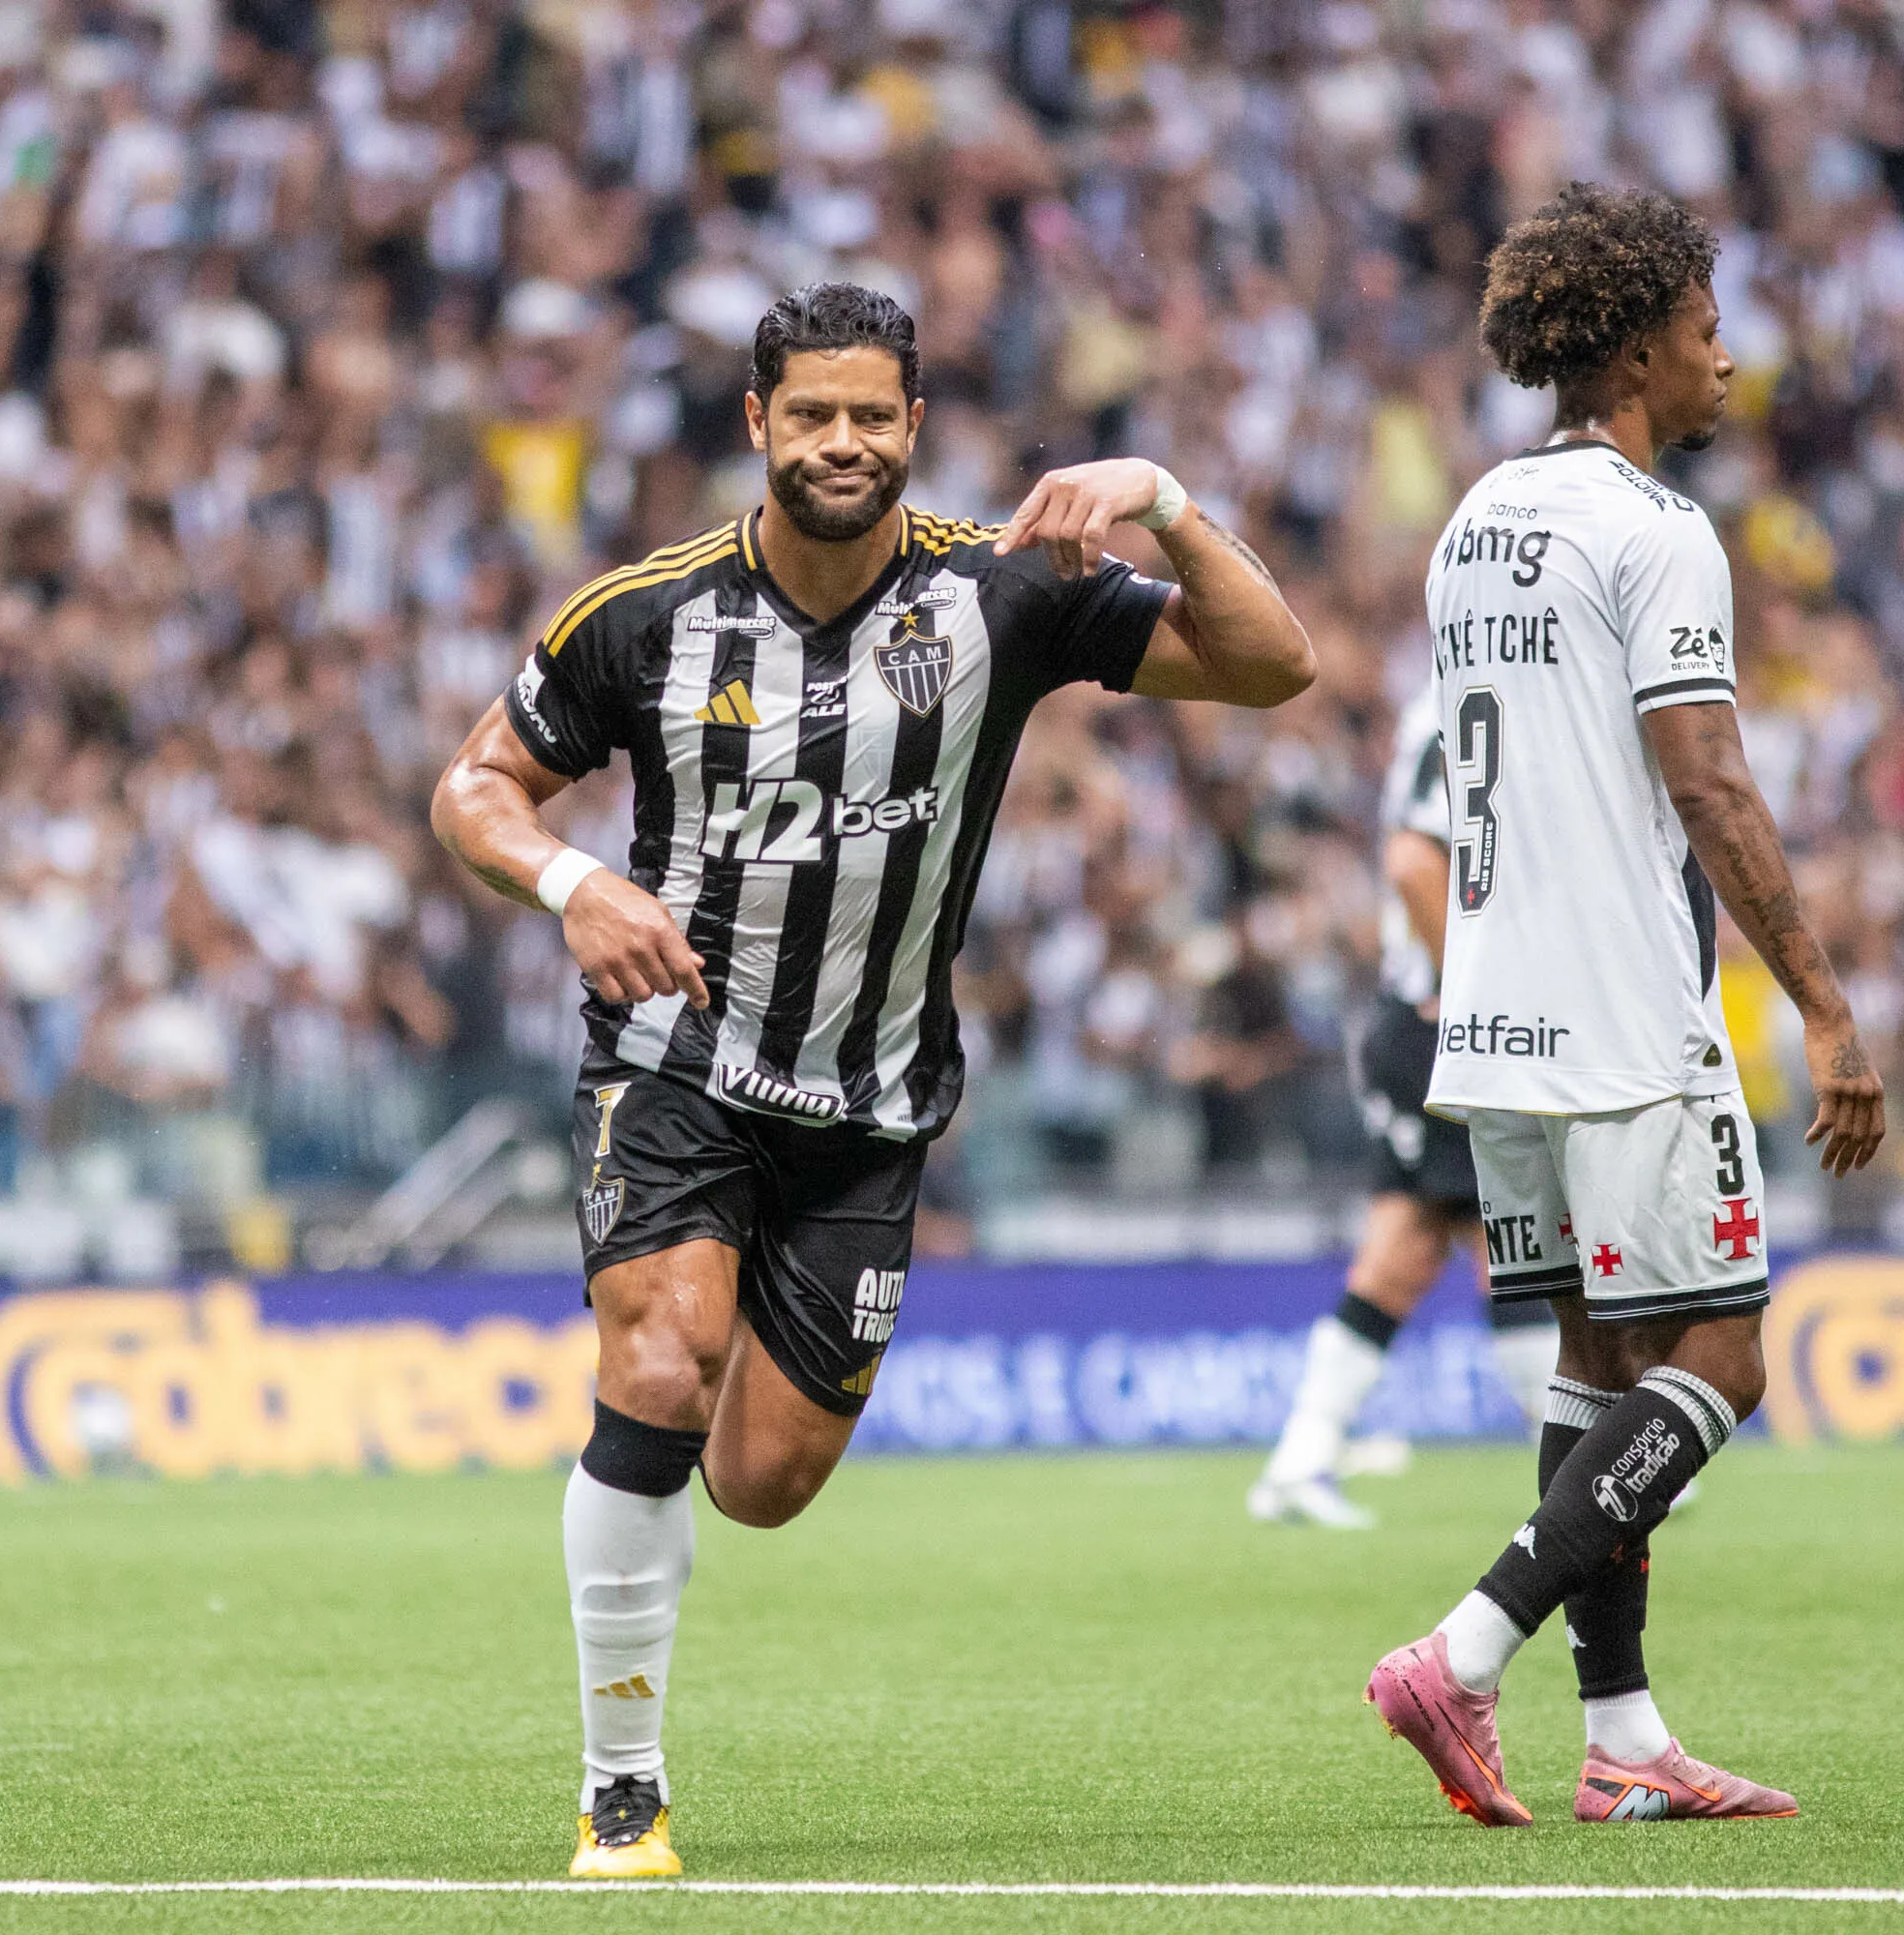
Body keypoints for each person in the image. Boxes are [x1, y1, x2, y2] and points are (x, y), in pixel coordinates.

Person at [431, 283, 1315, 1879]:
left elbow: (1270, 666)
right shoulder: (644, 614)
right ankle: (619, 1791)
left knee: (762, 1482)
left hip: (873, 1107)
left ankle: (651, 1488)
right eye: (811, 414)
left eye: (872, 416)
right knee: (660, 1360)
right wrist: (576, 888)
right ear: (756, 424)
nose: (843, 442)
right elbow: (475, 787)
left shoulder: (1006, 592)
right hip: (676, 1063)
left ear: (914, 426)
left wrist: (1167, 503)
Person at [1362, 187, 1885, 1827]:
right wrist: (1822, 1003)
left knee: (1597, 1363)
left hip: (1495, 1011)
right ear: (1642, 335)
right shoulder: (1654, 532)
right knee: (1722, 1357)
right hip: (1621, 1011)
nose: (1729, 357)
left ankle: (1626, 1741)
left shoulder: (1478, 520)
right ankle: (1460, 1650)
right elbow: (1709, 782)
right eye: (1710, 325)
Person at [1246, 693, 1559, 1530]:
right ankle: (1580, 1467)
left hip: (1425, 1025)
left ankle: (1302, 1458)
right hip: (1440, 1028)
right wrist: (1478, 1002)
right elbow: (1414, 865)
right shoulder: (1467, 714)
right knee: (1512, 1236)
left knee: (1419, 1250)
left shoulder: (1465, 711)